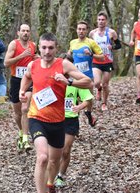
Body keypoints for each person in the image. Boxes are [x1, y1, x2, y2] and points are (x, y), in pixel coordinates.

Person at [19, 33, 93, 193]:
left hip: (58, 121)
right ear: (39, 48)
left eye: (51, 48)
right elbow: (26, 77)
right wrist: (21, 91)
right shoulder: (33, 65)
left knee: (54, 161)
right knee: (43, 158)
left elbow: (89, 82)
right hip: (37, 118)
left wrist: (69, 81)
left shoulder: (64, 65)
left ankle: (50, 183)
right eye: (44, 47)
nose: (47, 51)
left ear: (56, 48)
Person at [54, 53, 94, 188]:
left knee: (65, 150)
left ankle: (60, 175)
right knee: (53, 152)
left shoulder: (76, 83)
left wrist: (79, 107)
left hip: (70, 120)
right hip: (54, 119)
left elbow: (88, 99)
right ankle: (49, 176)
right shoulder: (53, 80)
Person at [4, 24, 38, 151]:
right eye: (23, 31)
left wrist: (38, 59)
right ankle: (21, 132)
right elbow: (6, 63)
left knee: (25, 109)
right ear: (18, 32)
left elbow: (35, 60)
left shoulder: (33, 45)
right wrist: (21, 56)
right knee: (17, 113)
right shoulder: (14, 44)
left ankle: (25, 139)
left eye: (28, 31)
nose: (25, 33)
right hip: (16, 80)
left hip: (28, 81)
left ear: (30, 33)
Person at [68, 21, 104, 126]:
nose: (81, 31)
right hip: (74, 76)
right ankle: (74, 123)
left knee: (88, 98)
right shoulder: (72, 42)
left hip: (87, 76)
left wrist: (91, 54)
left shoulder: (91, 42)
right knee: (74, 99)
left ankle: (88, 113)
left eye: (83, 29)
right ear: (76, 30)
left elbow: (102, 57)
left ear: (87, 31)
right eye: (79, 29)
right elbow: (69, 56)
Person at [89, 11, 121, 111]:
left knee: (106, 84)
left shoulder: (111, 32)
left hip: (107, 61)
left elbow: (119, 45)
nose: (101, 21)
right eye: (99, 20)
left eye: (103, 20)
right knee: (97, 83)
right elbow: (88, 45)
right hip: (96, 61)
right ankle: (98, 89)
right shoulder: (92, 33)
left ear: (106, 21)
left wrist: (112, 47)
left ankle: (104, 103)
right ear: (97, 21)